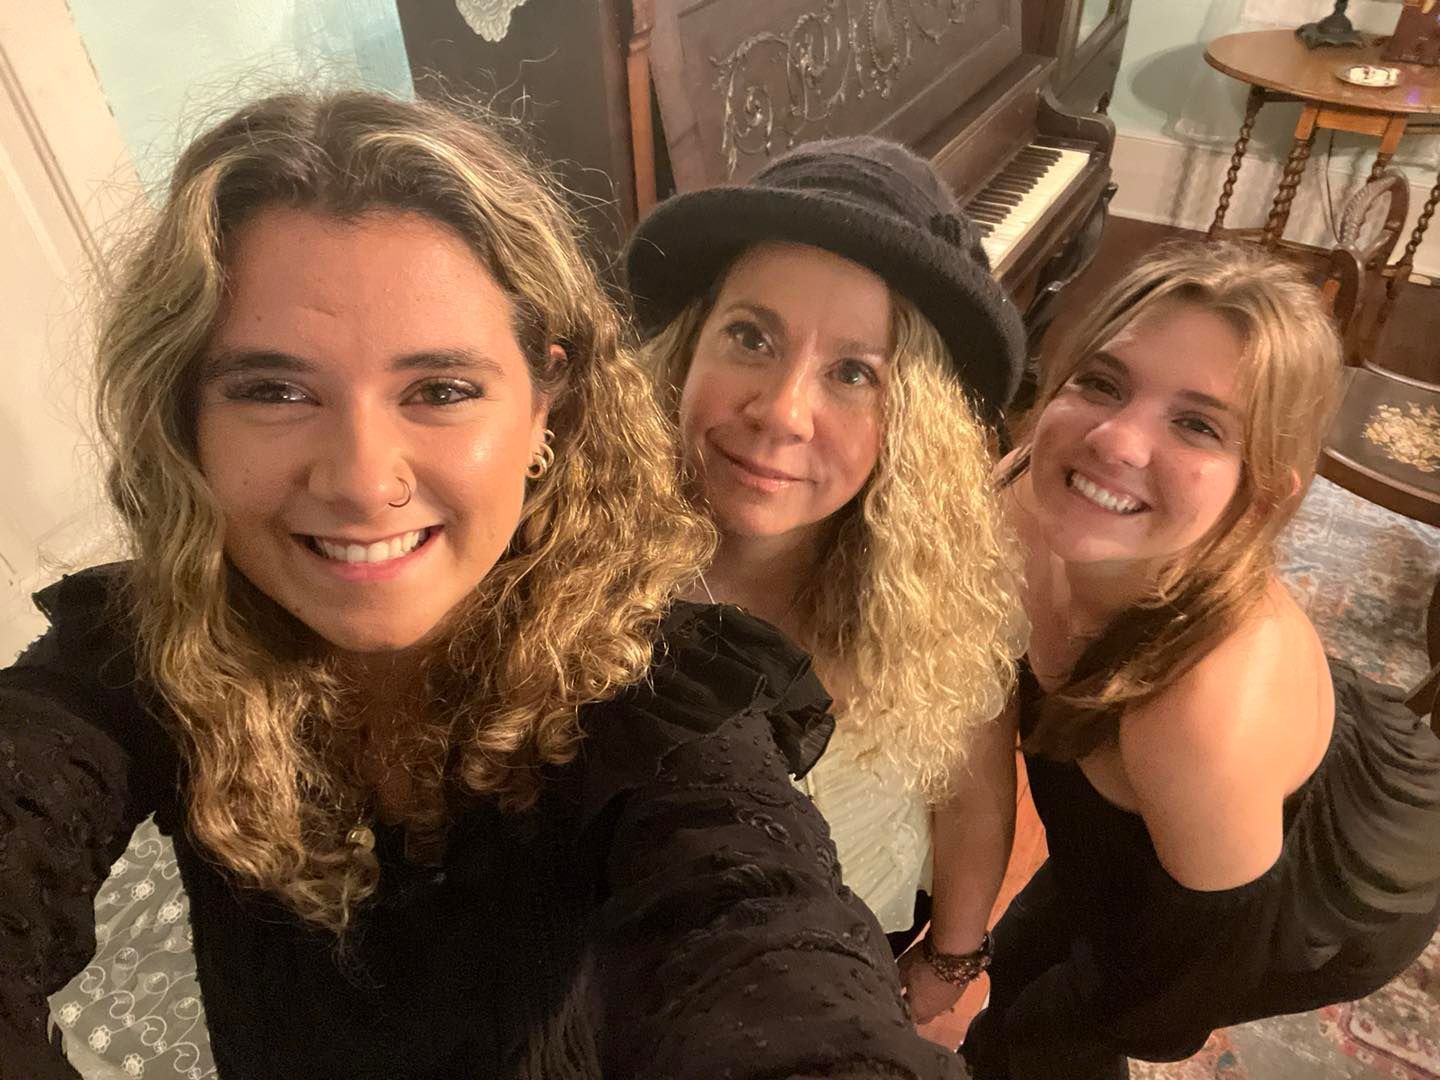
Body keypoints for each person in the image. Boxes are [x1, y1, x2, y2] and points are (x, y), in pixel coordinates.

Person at [0, 91, 971, 1080]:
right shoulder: (142, 644)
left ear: (545, 400)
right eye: (274, 390)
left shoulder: (657, 693)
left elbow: (752, 916)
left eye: (441, 389)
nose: (363, 479)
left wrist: (944, 962)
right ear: (185, 415)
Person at [961, 240, 1440, 1078]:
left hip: (1311, 886)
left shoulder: (1201, 712)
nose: (1114, 439)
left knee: (1032, 1042)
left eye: (1197, 424)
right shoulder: (1023, 494)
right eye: (1102, 382)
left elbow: (1166, 1000)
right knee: (1028, 954)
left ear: (1260, 493)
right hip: (1177, 810)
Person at [626, 136, 1028, 1014]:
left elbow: (972, 794)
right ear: (688, 345)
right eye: (750, 336)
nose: (780, 412)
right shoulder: (592, 554)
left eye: (852, 372)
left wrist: (950, 962)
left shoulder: (942, 593)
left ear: (912, 421)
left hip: (851, 929)